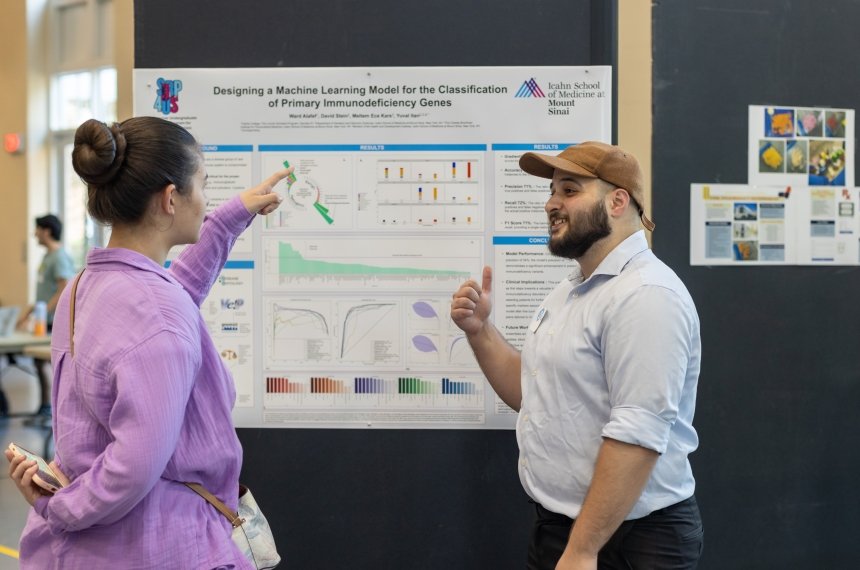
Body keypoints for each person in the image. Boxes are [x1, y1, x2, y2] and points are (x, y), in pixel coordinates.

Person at [4, 116, 290, 569]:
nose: (206, 198)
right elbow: (133, 468)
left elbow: (174, 290)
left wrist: (234, 215)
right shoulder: (158, 313)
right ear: (171, 198)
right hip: (155, 547)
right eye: (202, 184)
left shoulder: (86, 288)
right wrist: (59, 508)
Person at [450, 141, 703, 570]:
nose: (552, 204)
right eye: (552, 192)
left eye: (569, 191)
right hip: (564, 529)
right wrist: (479, 332)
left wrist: (583, 549)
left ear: (618, 201)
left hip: (629, 542)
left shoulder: (646, 295)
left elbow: (638, 434)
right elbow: (534, 393)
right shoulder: (573, 290)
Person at [17, 214, 77, 417]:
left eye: (37, 230)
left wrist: (44, 313)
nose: (34, 234)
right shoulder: (47, 257)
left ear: (47, 231)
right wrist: (28, 313)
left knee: (50, 363)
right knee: (38, 362)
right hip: (44, 319)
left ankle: (52, 409)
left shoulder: (60, 257)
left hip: (53, 321)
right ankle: (44, 406)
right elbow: (43, 293)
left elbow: (63, 289)